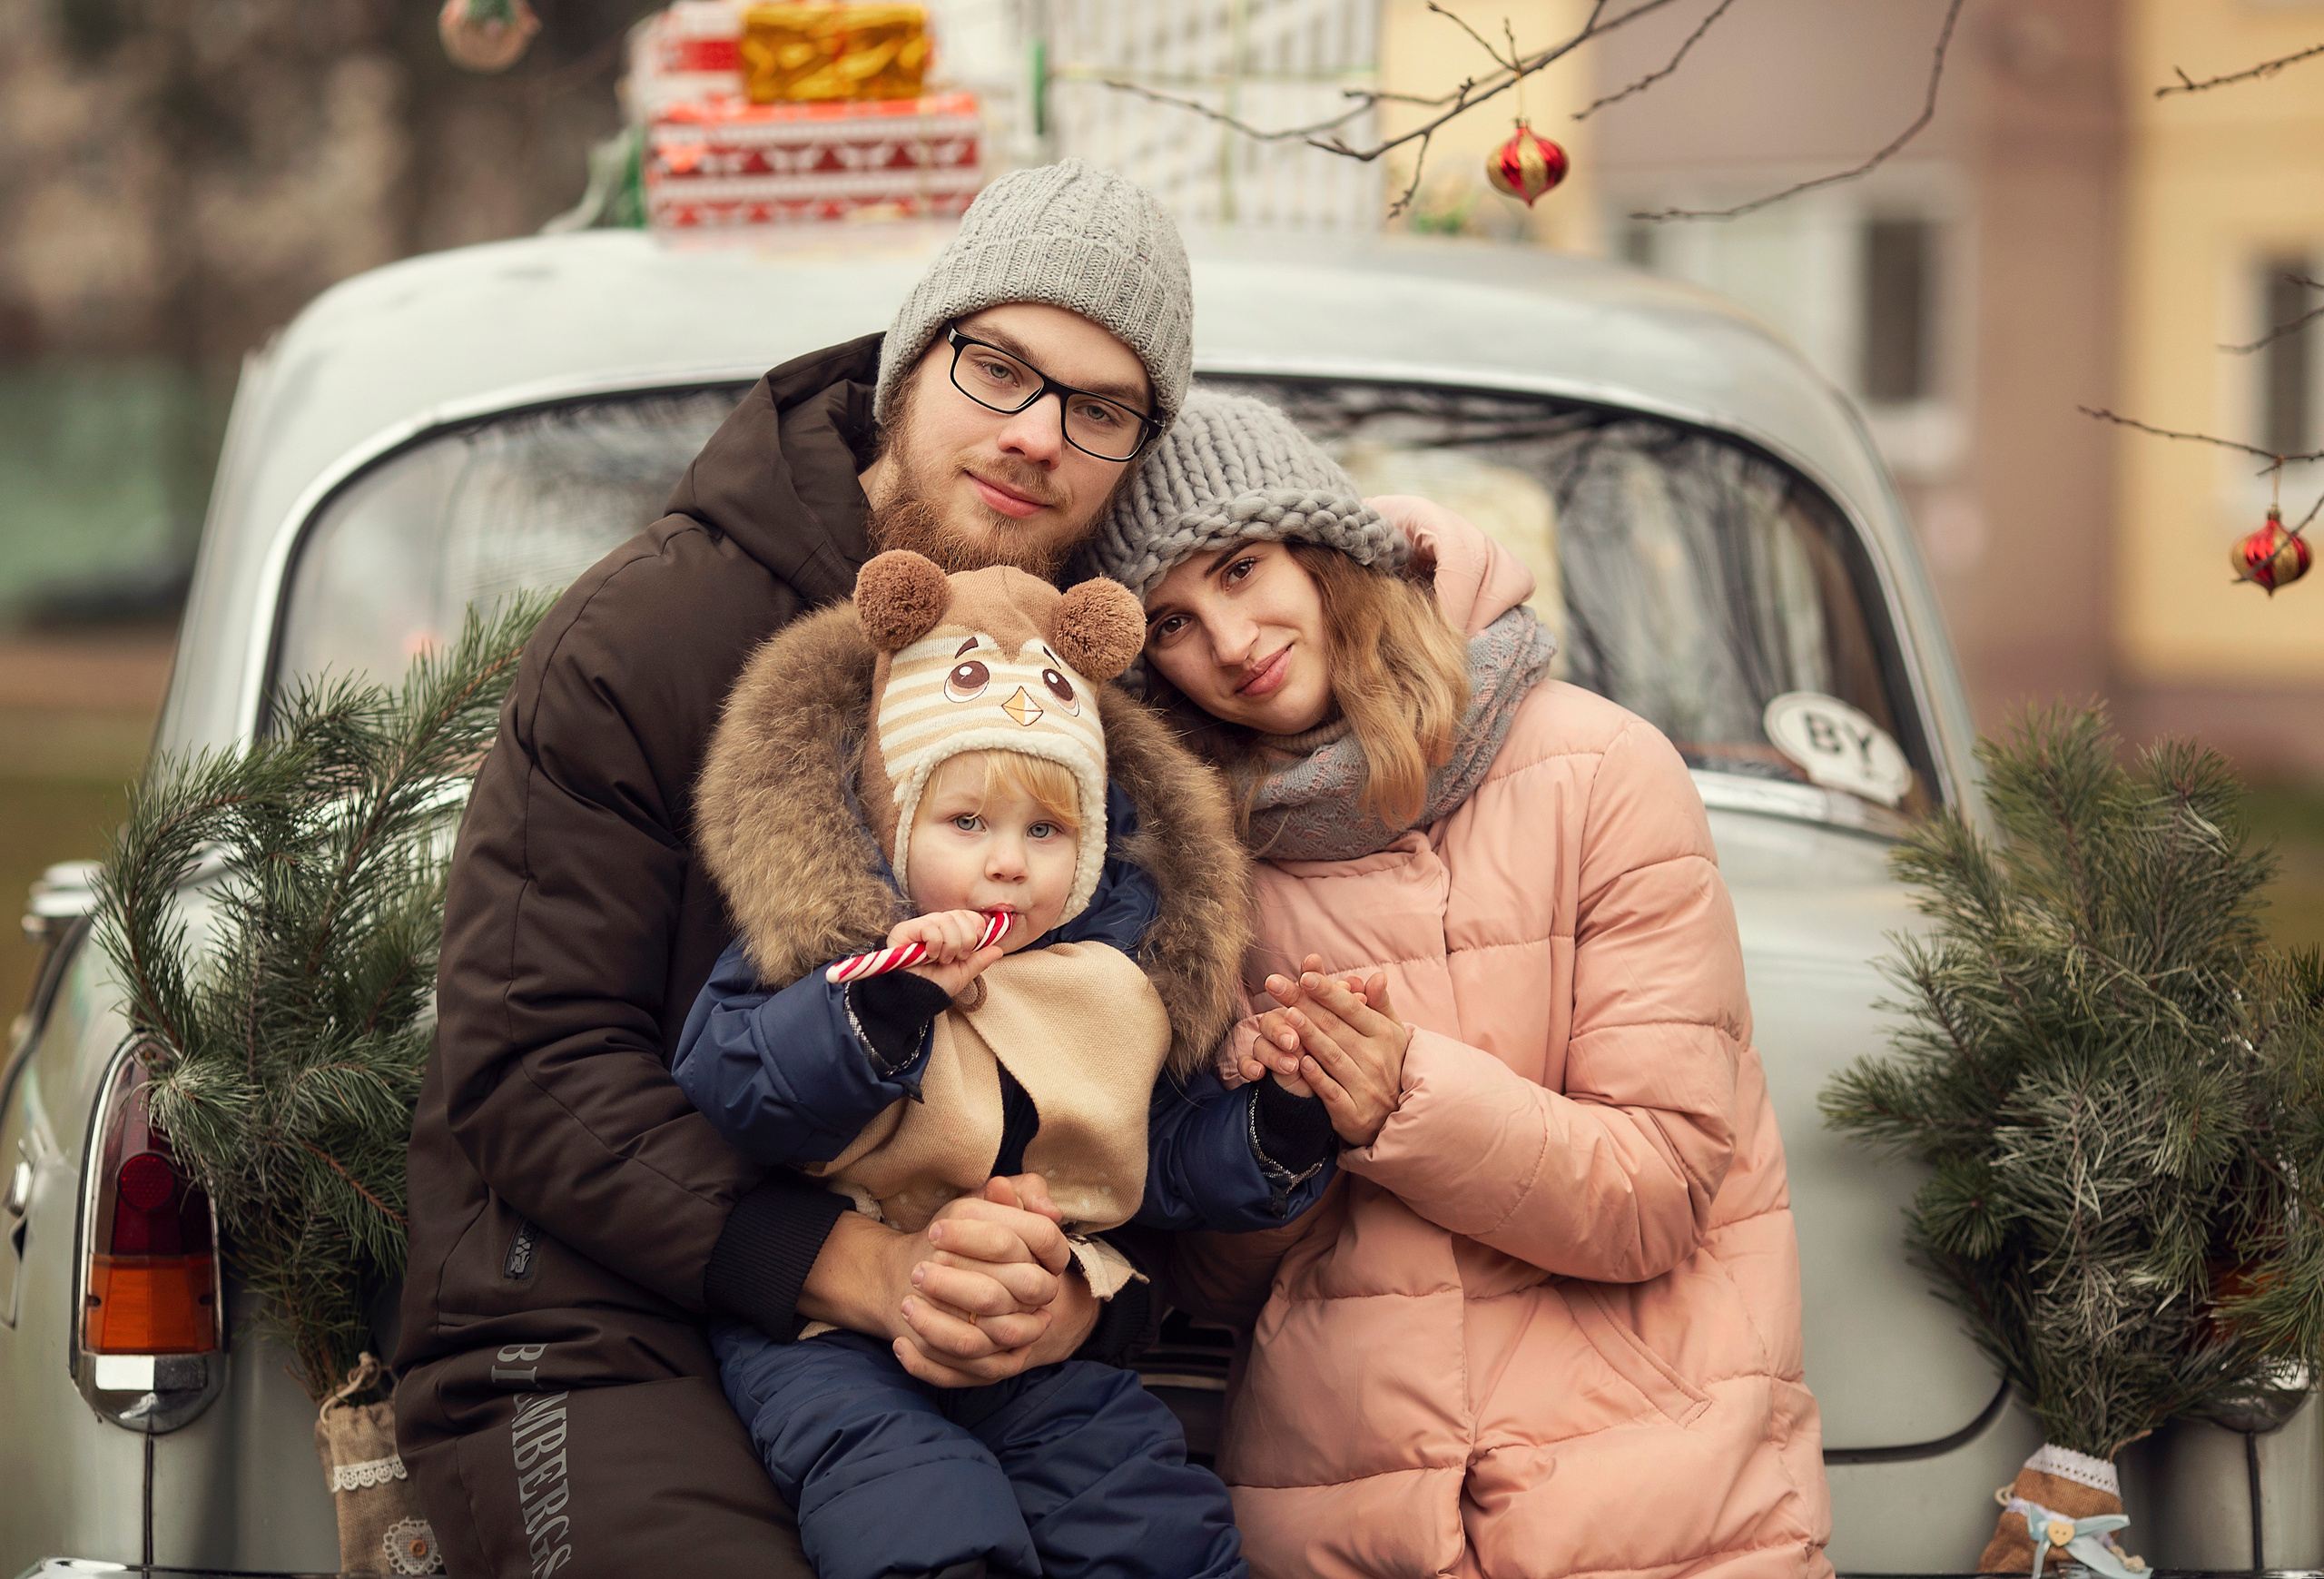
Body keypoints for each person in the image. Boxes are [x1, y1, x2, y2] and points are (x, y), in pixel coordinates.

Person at [393, 161, 1204, 1579]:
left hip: (985, 1334)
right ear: (911, 360)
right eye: (999, 365)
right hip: (594, 1311)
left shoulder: (1089, 689)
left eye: (1101, 407)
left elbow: (1135, 1064)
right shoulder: (652, 628)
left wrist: (1072, 1293)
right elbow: (530, 1061)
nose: (1035, 437)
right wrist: (868, 1270)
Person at [1080, 389, 1835, 1579]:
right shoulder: (1191, 863)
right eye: (1170, 622)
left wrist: (1398, 1096)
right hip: (1346, 1505)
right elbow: (1211, 1287)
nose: (1226, 641)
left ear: (1326, 552)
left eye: (1240, 568)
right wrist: (1275, 1133)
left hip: (1654, 1502)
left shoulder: (1601, 771)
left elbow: (1662, 1187)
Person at [669, 551, 1334, 1579]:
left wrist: (1276, 1124)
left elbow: (1152, 1152)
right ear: (894, 826)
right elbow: (737, 1082)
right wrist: (880, 1008)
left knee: (1146, 1512)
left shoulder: (1111, 982)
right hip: (830, 1332)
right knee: (910, 1504)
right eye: (965, 822)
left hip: (1040, 1318)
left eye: (1046, 828)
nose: (1008, 862)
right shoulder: (834, 959)